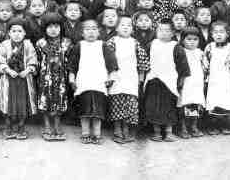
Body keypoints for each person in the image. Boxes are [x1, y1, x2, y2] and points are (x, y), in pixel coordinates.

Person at [68, 19, 118, 145]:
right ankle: (85, 133)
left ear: (99, 32)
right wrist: (72, 80)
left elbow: (111, 64)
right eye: (87, 29)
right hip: (83, 83)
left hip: (99, 83)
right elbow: (72, 66)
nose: (91, 32)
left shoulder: (103, 45)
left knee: (98, 111)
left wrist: (111, 78)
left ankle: (97, 134)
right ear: (82, 33)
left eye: (94, 29)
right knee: (84, 110)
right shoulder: (79, 46)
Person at [143, 18, 190, 142]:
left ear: (173, 32)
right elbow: (144, 61)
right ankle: (157, 132)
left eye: (167, 30)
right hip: (153, 80)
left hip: (170, 82)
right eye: (161, 30)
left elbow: (183, 66)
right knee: (153, 106)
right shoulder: (152, 44)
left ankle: (169, 132)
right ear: (156, 31)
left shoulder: (176, 46)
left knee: (169, 106)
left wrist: (181, 82)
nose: (164, 33)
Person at [106, 15, 149, 144]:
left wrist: (141, 77)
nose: (125, 28)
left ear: (132, 28)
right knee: (117, 103)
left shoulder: (135, 43)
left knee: (130, 104)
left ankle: (126, 129)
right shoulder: (112, 42)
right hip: (116, 77)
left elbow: (142, 61)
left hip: (130, 78)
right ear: (117, 28)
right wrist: (109, 76)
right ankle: (117, 129)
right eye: (122, 25)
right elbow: (107, 60)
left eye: (129, 25)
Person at [0, 18, 38, 140]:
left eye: (20, 31)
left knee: (22, 104)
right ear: (9, 32)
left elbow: (32, 59)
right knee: (7, 104)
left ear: (24, 33)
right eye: (14, 31)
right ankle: (8, 127)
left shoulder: (28, 45)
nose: (17, 34)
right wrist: (7, 70)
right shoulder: (4, 45)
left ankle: (21, 127)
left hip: (23, 80)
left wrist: (28, 70)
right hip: (8, 79)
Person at [35, 12, 71, 141]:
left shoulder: (66, 43)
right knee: (45, 100)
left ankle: (57, 125)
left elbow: (69, 60)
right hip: (45, 77)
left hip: (61, 78)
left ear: (61, 27)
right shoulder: (40, 43)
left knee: (60, 100)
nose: (53, 30)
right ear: (45, 29)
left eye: (56, 26)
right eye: (50, 27)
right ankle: (47, 126)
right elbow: (37, 60)